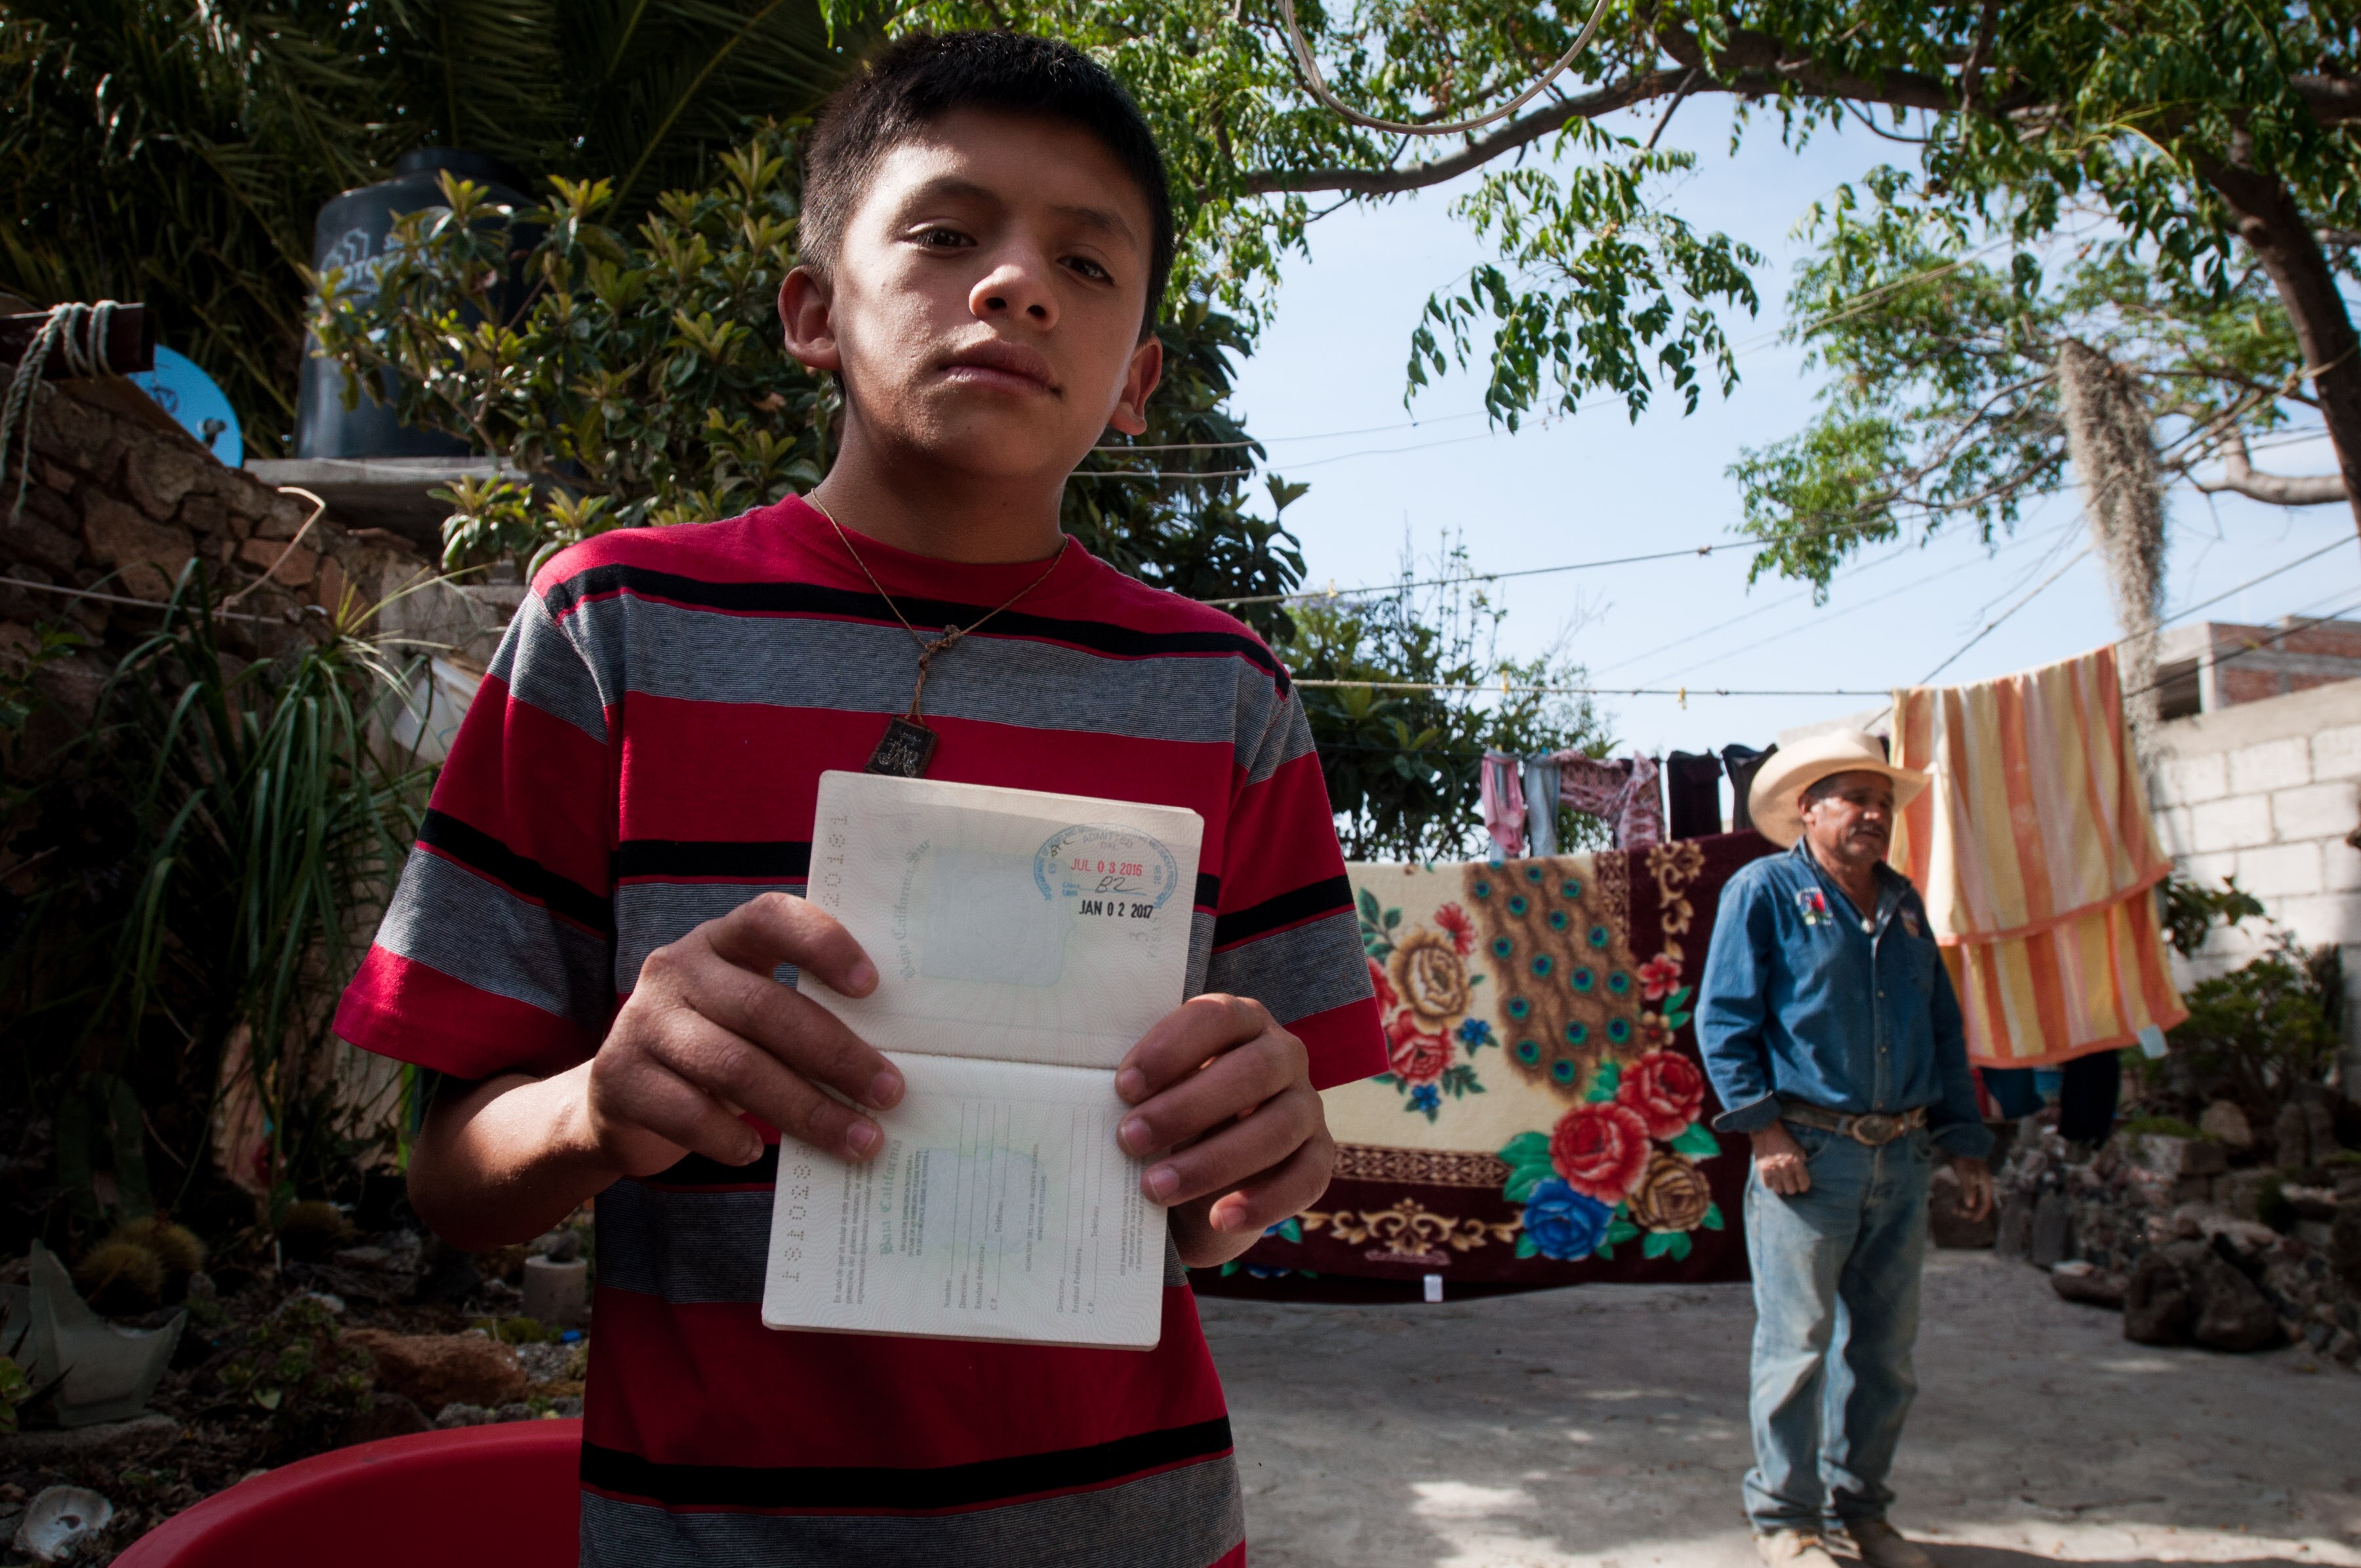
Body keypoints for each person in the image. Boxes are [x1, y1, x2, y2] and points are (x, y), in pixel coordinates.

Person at [332, 33, 1382, 1567]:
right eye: (946, 233)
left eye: (1086, 265)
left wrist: (1260, 1157)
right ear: (812, 309)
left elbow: (1236, 1189)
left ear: (1139, 378)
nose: (1018, 286)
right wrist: (598, 1103)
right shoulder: (612, 631)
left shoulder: (1224, 693)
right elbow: (451, 1182)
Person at [1696, 729, 1994, 1568]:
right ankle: (1785, 1520)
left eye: (1883, 801)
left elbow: (1942, 1027)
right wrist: (1763, 1132)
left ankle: (1863, 1512)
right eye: (1854, 798)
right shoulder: (1765, 891)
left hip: (1900, 1158)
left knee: (1887, 1357)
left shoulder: (1902, 904)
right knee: (1796, 1349)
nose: (1873, 814)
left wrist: (1965, 1145)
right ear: (1807, 808)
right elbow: (1723, 1021)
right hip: (1808, 1159)